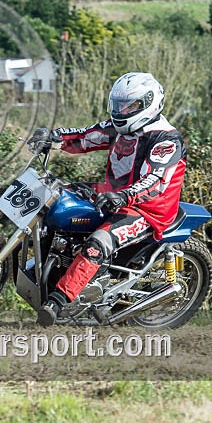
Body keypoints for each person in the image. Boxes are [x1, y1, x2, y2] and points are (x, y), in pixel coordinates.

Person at [36, 72, 186, 327]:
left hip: (146, 209)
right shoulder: (119, 128)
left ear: (149, 103)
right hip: (113, 193)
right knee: (56, 198)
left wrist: (124, 195)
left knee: (100, 241)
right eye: (118, 105)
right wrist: (53, 137)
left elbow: (156, 180)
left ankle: (59, 301)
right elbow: (87, 135)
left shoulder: (165, 139)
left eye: (130, 105)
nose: (122, 110)